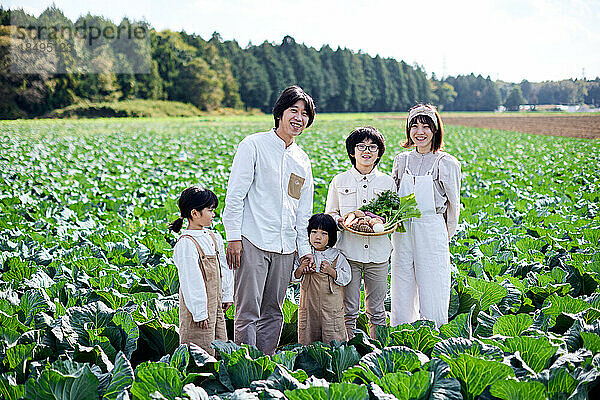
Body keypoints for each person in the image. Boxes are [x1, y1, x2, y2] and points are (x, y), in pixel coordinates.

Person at [223, 85, 316, 355]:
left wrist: (305, 251)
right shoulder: (254, 145)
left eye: (305, 114)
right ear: (279, 113)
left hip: (286, 247)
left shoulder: (302, 160)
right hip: (253, 240)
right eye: (293, 111)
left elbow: (302, 212)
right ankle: (244, 364)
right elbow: (235, 195)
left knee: (274, 312)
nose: (299, 118)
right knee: (248, 311)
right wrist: (233, 237)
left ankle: (265, 365)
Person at [390, 104, 461, 328]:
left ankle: (433, 332)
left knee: (433, 283)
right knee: (402, 282)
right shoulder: (402, 161)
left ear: (435, 130)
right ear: (408, 130)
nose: (420, 132)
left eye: (426, 126)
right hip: (403, 230)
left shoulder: (446, 162)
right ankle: (401, 332)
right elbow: (393, 197)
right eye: (415, 126)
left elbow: (454, 205)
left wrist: (444, 236)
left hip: (431, 228)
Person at [325, 126, 395, 339]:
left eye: (372, 147)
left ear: (379, 153)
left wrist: (383, 222)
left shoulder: (387, 182)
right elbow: (331, 212)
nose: (367, 151)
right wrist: (342, 221)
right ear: (352, 152)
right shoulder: (339, 180)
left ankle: (378, 349)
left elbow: (392, 215)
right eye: (361, 146)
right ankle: (350, 349)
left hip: (379, 254)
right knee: (349, 309)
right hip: (348, 253)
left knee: (377, 310)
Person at [169, 186, 234, 356]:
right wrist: (199, 312)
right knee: (199, 353)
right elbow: (191, 281)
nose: (213, 215)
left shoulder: (213, 237)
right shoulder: (186, 243)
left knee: (219, 349)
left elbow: (224, 268)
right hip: (197, 312)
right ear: (195, 213)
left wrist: (227, 295)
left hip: (216, 306)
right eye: (210, 210)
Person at [293, 213, 351, 345]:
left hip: (331, 309)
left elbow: (346, 278)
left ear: (331, 236)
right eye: (314, 232)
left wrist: (331, 271)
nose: (317, 237)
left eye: (324, 233)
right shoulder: (304, 255)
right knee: (308, 334)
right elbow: (293, 278)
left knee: (332, 336)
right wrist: (302, 268)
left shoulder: (336, 256)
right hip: (309, 307)